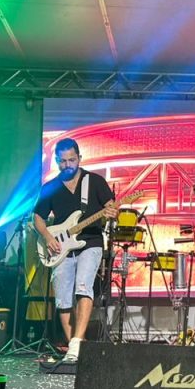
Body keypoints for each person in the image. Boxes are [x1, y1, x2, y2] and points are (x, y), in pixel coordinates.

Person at [33, 137, 118, 364]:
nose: (67, 165)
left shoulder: (95, 181)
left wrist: (113, 211)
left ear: (79, 158)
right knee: (62, 297)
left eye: (71, 160)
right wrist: (48, 237)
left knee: (83, 286)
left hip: (90, 242)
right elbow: (38, 218)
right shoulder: (50, 187)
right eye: (63, 161)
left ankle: (77, 341)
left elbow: (111, 207)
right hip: (60, 247)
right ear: (56, 161)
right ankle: (74, 349)